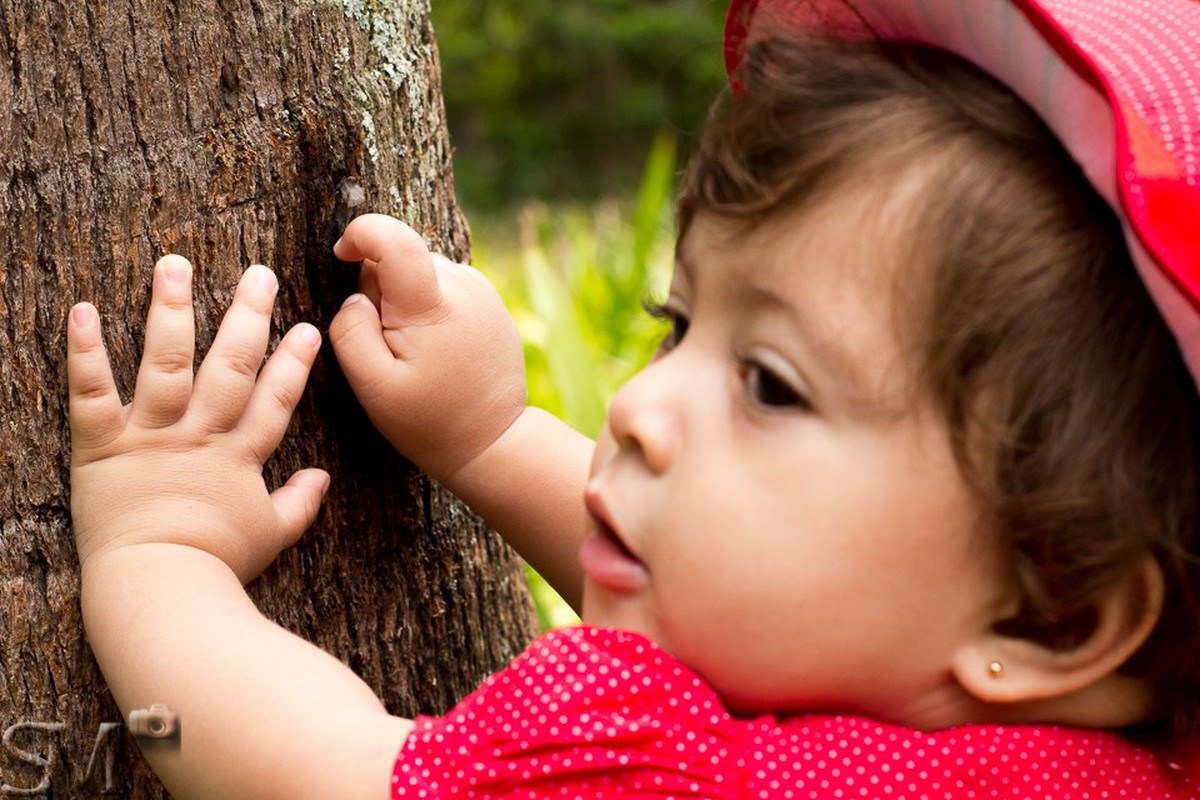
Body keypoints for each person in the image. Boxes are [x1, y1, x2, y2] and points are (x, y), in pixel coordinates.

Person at [66, 0, 1200, 797]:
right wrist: (493, 436)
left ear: (1056, 616)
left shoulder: (672, 776)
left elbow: (316, 765)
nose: (639, 411)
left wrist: (157, 546)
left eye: (771, 386)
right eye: (682, 327)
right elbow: (743, 593)